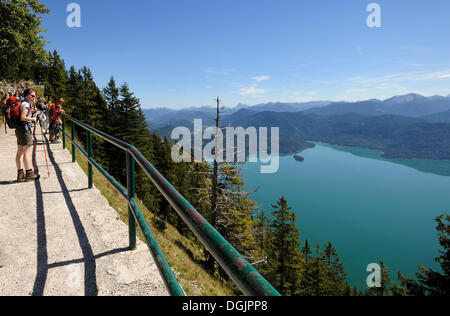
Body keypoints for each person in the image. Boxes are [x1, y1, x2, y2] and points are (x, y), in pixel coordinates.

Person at [15, 89, 40, 182]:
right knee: (27, 151)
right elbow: (23, 117)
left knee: (20, 151)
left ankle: (20, 174)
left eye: (35, 96)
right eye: (32, 96)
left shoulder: (23, 103)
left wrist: (33, 113)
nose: (34, 97)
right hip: (25, 130)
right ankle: (29, 173)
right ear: (27, 96)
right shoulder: (25, 104)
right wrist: (33, 119)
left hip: (19, 130)